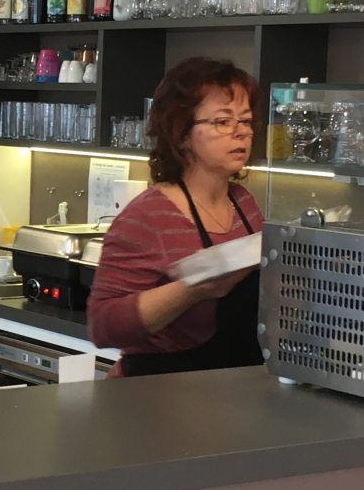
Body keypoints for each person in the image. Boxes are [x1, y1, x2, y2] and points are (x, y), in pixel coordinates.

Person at [87, 57, 264, 377]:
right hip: (161, 396)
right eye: (223, 122)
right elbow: (103, 326)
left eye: (247, 121)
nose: (241, 133)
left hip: (234, 394)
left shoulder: (245, 205)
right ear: (182, 133)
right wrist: (192, 289)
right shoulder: (149, 216)